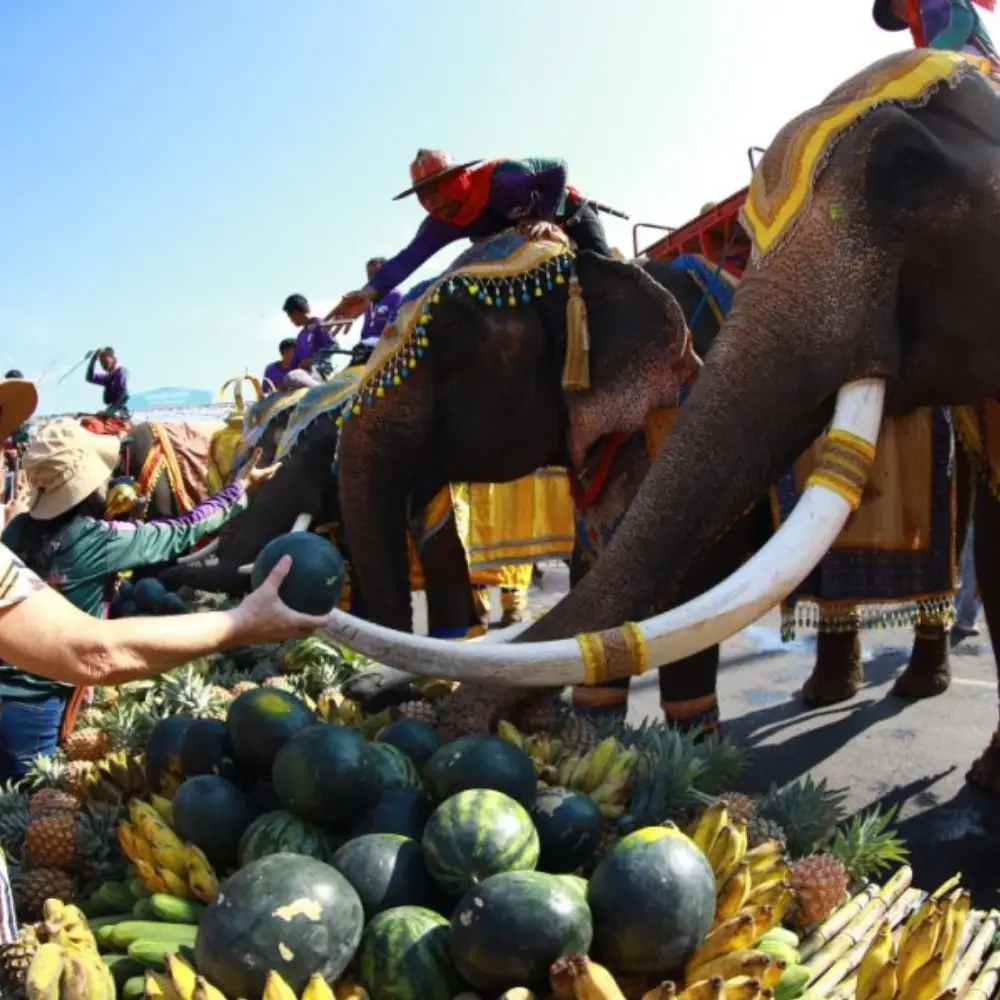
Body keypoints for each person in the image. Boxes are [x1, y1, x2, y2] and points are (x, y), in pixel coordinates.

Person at [0, 414, 275, 779]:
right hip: (38, 702)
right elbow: (182, 530)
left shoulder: (17, 529)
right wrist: (237, 491)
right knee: (30, 801)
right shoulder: (98, 539)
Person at [327, 149, 614, 321]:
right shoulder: (441, 223)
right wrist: (369, 293)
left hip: (569, 217)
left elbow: (557, 166)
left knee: (603, 276)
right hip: (521, 246)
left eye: (435, 189)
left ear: (456, 180)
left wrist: (544, 219)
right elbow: (408, 258)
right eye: (422, 195)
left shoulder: (503, 179)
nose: (430, 201)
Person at [873, 0, 999, 66]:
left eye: (895, 5)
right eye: (895, 13)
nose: (899, 13)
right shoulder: (924, 23)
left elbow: (962, 21)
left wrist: (930, 54)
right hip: (950, 58)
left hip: (975, 57)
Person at [358, 258, 403, 349]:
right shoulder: (367, 301)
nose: (372, 278)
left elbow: (400, 324)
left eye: (375, 274)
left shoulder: (395, 296)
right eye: (369, 275)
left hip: (386, 347)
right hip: (365, 348)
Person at [283, 294, 334, 373]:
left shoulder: (319, 324)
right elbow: (295, 360)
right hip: (305, 375)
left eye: (290, 316)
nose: (291, 320)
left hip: (321, 372)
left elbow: (332, 346)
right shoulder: (301, 336)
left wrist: (313, 361)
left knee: (295, 377)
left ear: (296, 313)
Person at [85, 347, 130, 415]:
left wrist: (108, 412)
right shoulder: (107, 378)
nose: (103, 364)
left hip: (118, 408)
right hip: (112, 408)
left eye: (105, 359)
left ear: (114, 359)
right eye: (101, 362)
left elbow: (123, 394)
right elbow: (90, 378)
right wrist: (93, 359)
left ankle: (122, 413)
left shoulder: (121, 371)